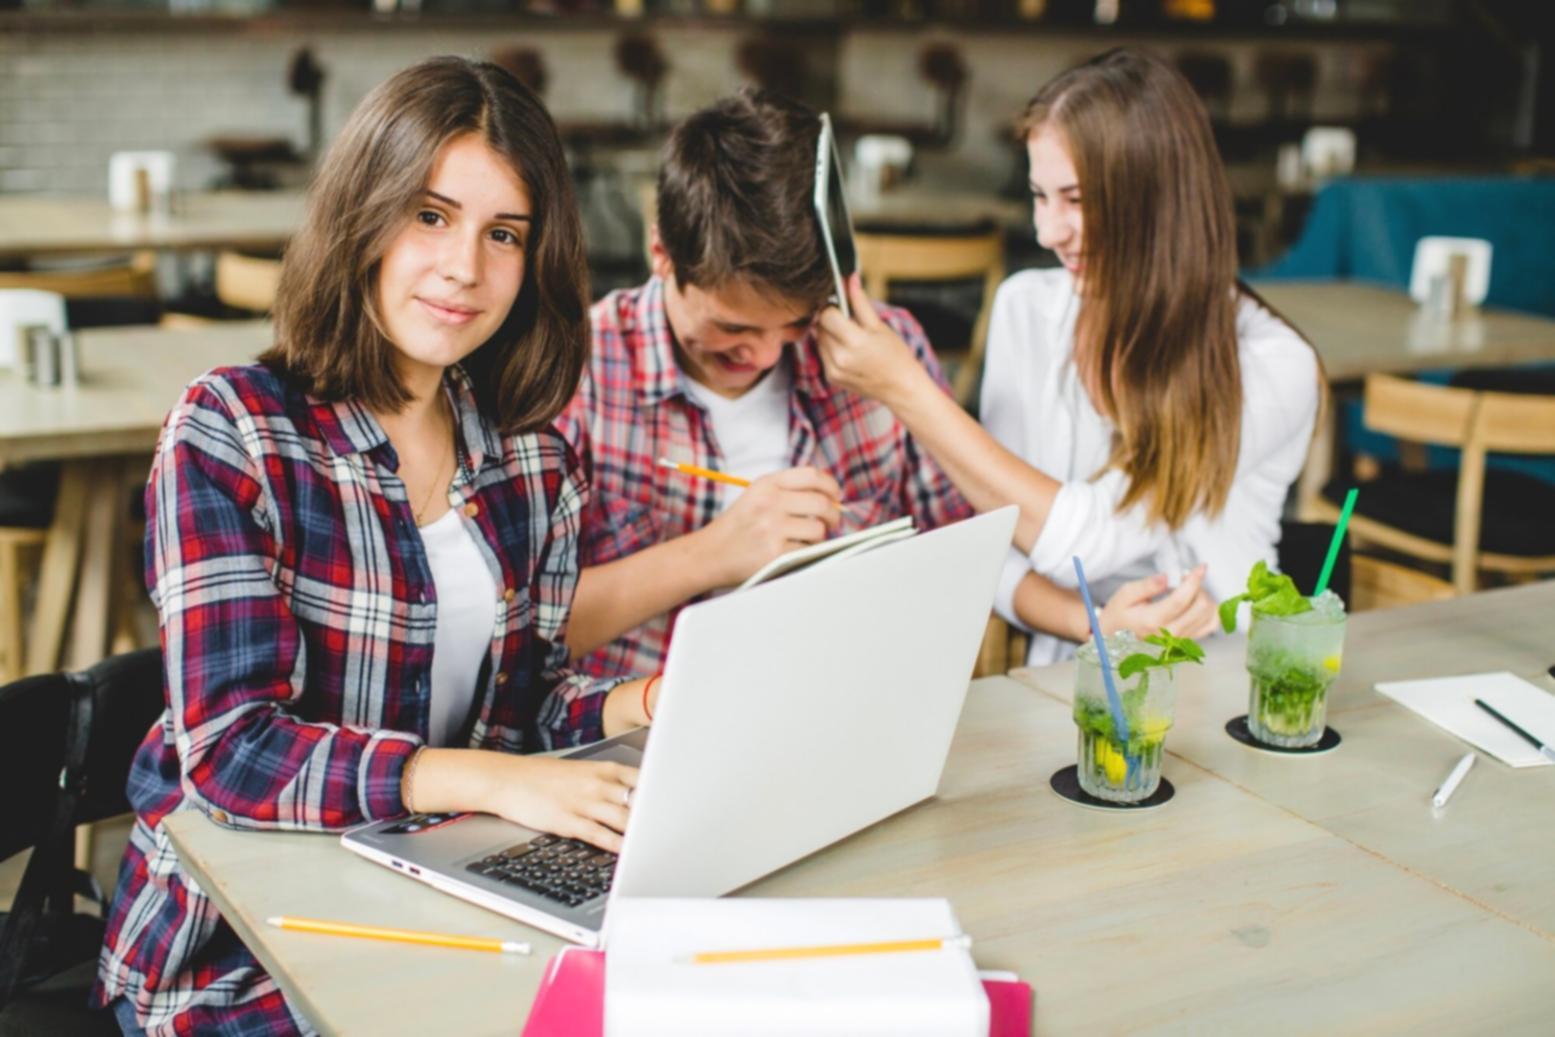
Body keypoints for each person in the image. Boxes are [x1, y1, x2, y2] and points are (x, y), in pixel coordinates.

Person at [94, 58, 656, 1036]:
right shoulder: (233, 432)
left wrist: (641, 704)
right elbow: (233, 751)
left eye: (504, 234)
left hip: (435, 900)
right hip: (235, 949)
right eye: (430, 216)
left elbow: (522, 713)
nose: (463, 268)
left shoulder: (530, 459)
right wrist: (488, 776)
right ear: (363, 212)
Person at [818, 48, 1321, 665]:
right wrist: (1091, 624)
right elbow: (997, 542)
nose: (1048, 232)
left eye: (1077, 201)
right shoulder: (1027, 308)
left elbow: (1090, 541)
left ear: (1159, 201)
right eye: (1040, 196)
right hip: (1068, 678)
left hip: (1219, 681)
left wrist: (908, 391)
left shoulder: (1271, 364)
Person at [554, 89, 971, 679]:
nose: (768, 353)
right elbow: (519, 637)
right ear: (661, 253)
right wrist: (712, 554)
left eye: (797, 322)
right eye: (733, 326)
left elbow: (960, 565)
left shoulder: (882, 350)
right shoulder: (580, 370)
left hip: (843, 702)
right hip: (639, 729)